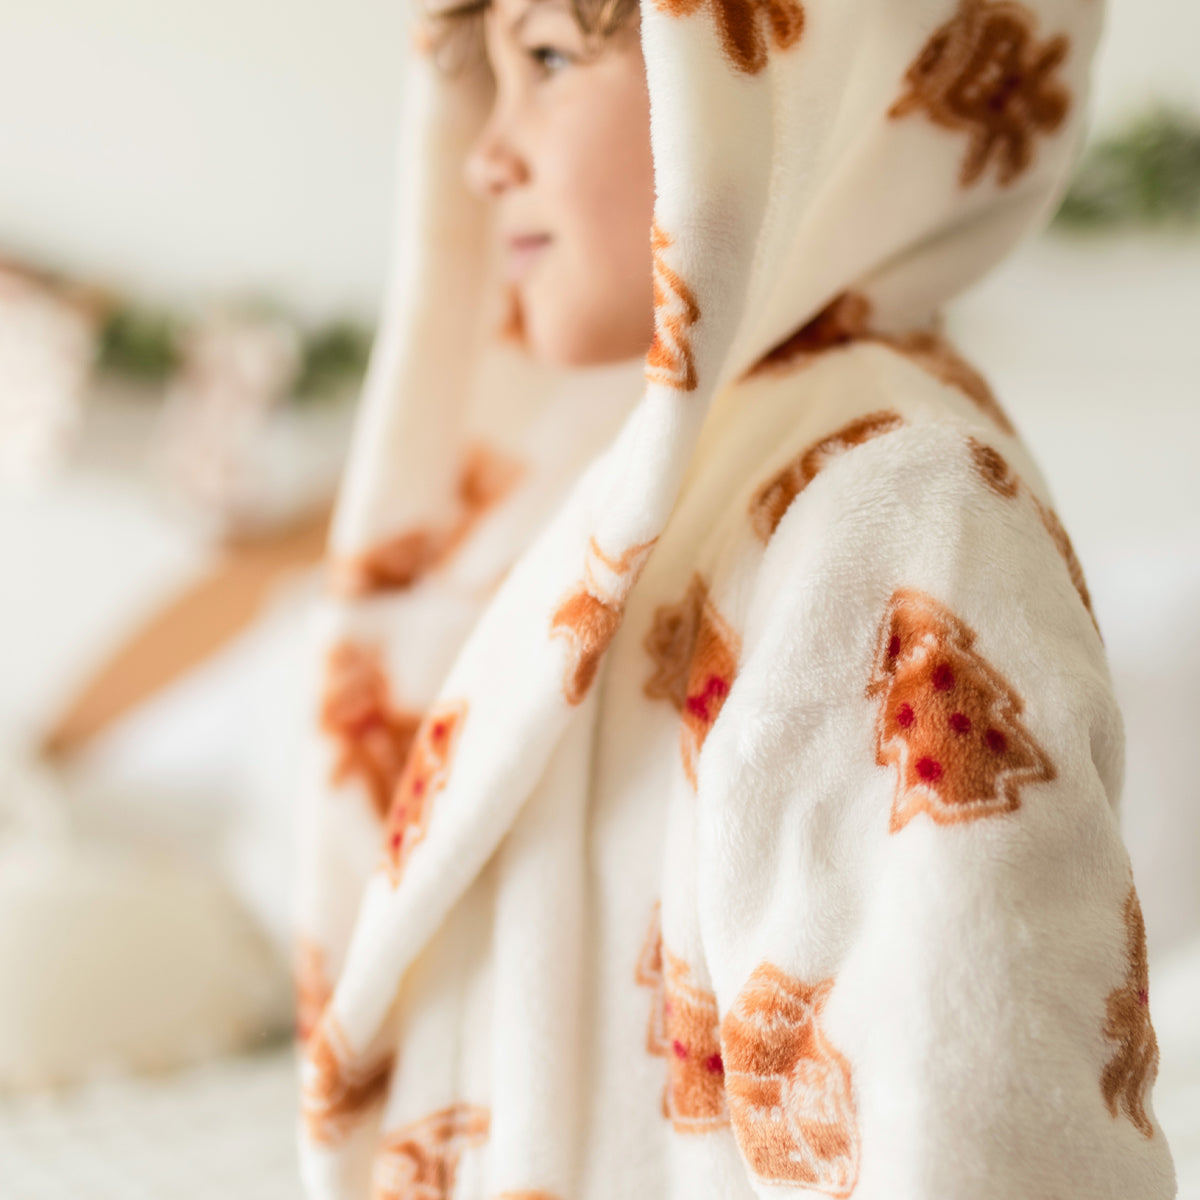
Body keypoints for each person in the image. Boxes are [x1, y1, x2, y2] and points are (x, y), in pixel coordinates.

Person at [293, 0, 1179, 1195]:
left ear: (784, 64)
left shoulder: (898, 509)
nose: (484, 154)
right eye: (486, 77)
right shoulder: (635, 508)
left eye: (550, 57)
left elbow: (968, 1134)